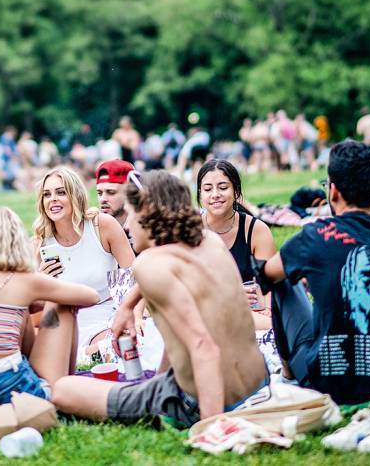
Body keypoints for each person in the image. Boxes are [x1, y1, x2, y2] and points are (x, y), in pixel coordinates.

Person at [52, 171, 268, 427]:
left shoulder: (151, 265)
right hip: (258, 383)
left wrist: (213, 428)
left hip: (201, 401)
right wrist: (127, 306)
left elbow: (203, 347)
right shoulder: (208, 240)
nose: (127, 225)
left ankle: (176, 404)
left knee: (63, 389)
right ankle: (161, 386)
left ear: (147, 214)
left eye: (131, 214)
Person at [262, 141, 370, 404]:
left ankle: (288, 376)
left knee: (285, 280)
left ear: (334, 191)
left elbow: (268, 275)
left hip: (329, 383)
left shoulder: (314, 236)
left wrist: (311, 274)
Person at [0, 207, 100, 401]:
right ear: (17, 242)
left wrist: (29, 303)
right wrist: (43, 293)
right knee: (62, 304)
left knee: (23, 310)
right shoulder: (22, 280)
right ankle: (61, 389)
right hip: (8, 390)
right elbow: (91, 296)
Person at [34, 167, 135, 361]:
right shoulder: (40, 242)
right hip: (69, 319)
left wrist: (132, 314)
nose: (52, 199)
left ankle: (93, 352)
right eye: (47, 195)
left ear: (76, 196)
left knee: (135, 337)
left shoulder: (101, 226)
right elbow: (32, 305)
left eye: (61, 192)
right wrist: (41, 282)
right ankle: (91, 353)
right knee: (119, 345)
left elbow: (134, 277)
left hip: (110, 311)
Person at [196, 160, 276, 330]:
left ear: (236, 191)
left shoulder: (256, 230)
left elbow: (269, 284)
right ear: (200, 194)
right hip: (205, 312)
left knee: (276, 324)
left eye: (223, 187)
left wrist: (268, 309)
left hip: (250, 314)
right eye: (208, 189)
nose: (215, 194)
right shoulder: (191, 231)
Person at [95, 159, 134, 239]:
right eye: (99, 193)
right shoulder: (93, 231)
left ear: (129, 193)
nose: (102, 199)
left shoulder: (143, 232)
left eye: (111, 192)